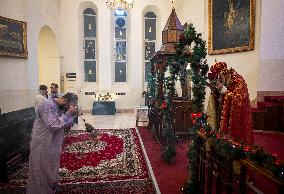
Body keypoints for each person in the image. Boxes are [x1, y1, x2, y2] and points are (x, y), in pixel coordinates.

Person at [27, 93, 78, 194]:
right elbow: (53, 125)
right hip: (42, 142)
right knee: (42, 169)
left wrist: (72, 115)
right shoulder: (47, 104)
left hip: (52, 143)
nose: (69, 108)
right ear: (64, 101)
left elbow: (62, 123)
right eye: (70, 106)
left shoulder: (58, 106)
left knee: (50, 167)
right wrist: (68, 114)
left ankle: (50, 189)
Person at [207, 62, 254, 144]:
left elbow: (240, 101)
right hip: (226, 117)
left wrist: (225, 92)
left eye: (220, 78)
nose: (219, 81)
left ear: (225, 73)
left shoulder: (239, 81)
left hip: (237, 118)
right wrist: (215, 93)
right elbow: (221, 101)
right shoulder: (225, 82)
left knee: (238, 142)